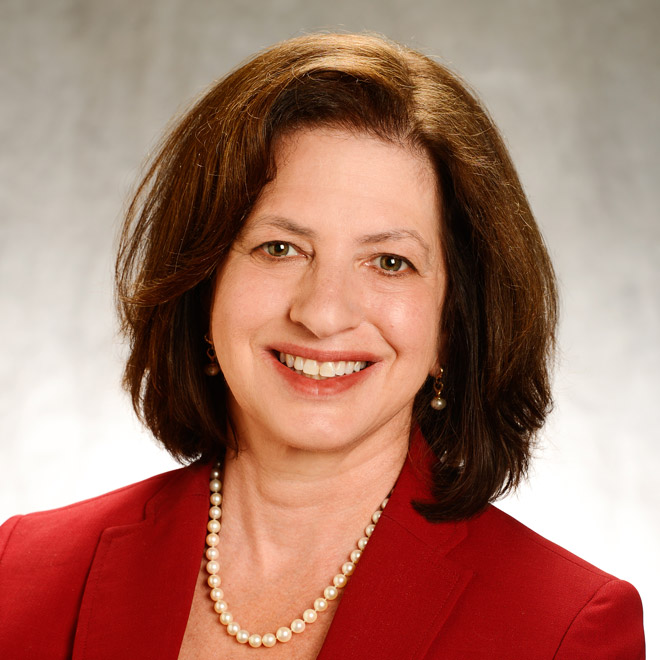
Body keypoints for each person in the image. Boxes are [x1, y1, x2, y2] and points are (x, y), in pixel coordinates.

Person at [0, 33, 645, 659]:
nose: (322, 313)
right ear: (202, 286)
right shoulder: (20, 574)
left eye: (390, 262)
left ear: (452, 325)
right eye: (280, 248)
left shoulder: (565, 633)